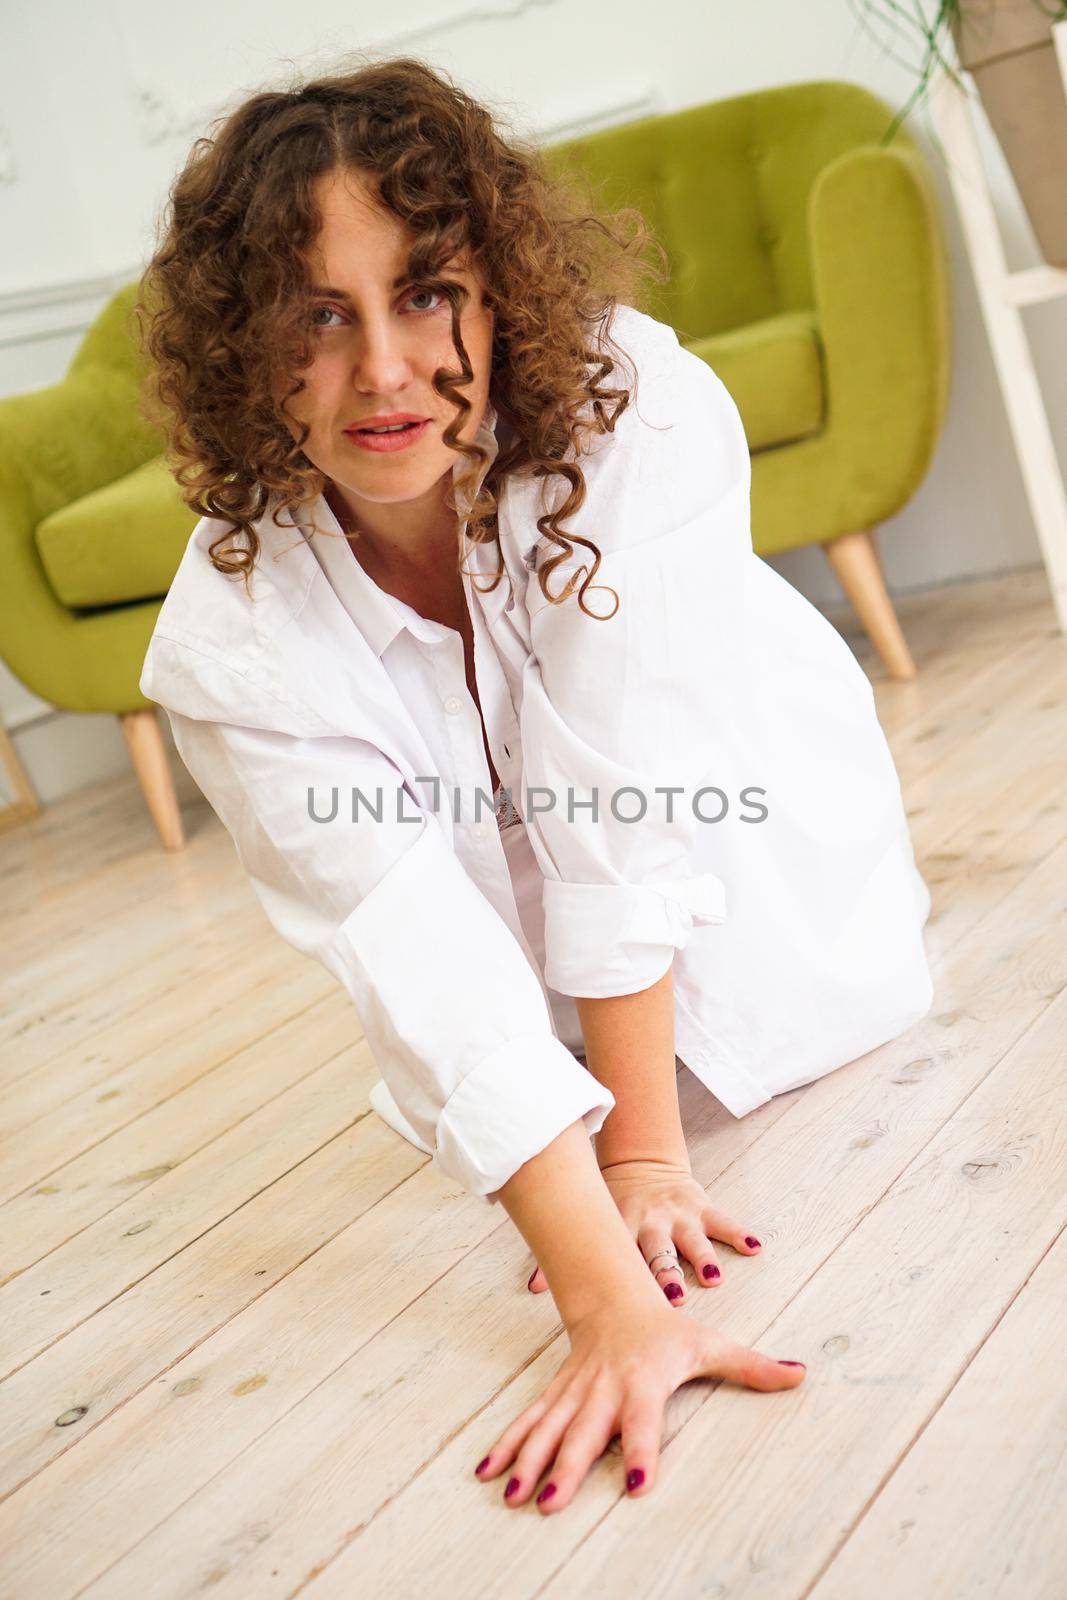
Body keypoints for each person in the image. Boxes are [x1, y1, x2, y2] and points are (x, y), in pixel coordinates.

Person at [135, 55, 934, 1515]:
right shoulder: (229, 636)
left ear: (501, 289)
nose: (380, 370)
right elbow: (405, 940)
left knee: (720, 1004)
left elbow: (625, 785)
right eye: (318, 315)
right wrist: (609, 1297)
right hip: (529, 958)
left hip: (746, 841)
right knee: (511, 1050)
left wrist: (643, 1152)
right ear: (245, 347)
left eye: (426, 292)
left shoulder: (636, 405)